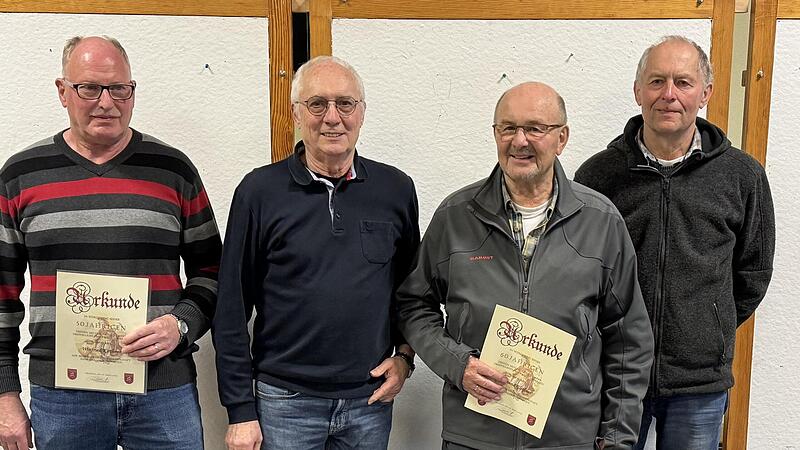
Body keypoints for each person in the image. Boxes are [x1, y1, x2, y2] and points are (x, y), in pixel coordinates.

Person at [396, 81, 654, 449]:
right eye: (508, 128)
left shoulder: (601, 221)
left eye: (535, 128)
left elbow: (629, 337)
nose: (519, 141)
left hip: (568, 439)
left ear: (561, 138)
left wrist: (616, 439)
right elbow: (413, 304)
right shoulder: (456, 216)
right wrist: (457, 364)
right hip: (474, 437)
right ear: (495, 134)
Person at [0, 36, 221, 450]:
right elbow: (2, 296)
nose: (107, 103)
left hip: (163, 389)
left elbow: (212, 270)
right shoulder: (20, 175)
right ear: (62, 91)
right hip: (63, 397)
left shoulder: (173, 170)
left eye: (119, 89)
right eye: (89, 88)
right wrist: (4, 395)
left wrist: (180, 325)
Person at [574, 35, 776, 450]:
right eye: (656, 81)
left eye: (683, 82)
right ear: (638, 92)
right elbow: (579, 270)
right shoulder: (598, 175)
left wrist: (707, 326)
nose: (669, 95)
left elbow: (753, 272)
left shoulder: (743, 176)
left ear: (706, 93)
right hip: (615, 375)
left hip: (699, 384)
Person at [212, 55, 420, 450]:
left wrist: (405, 359)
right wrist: (240, 411)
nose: (332, 118)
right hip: (285, 402)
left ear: (362, 112)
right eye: (317, 104)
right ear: (296, 113)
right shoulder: (259, 192)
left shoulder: (395, 190)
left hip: (369, 401)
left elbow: (412, 291)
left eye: (345, 104)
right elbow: (231, 308)